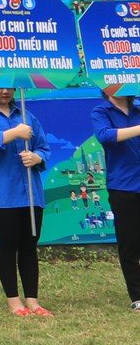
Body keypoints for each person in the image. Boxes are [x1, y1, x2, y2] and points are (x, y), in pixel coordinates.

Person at [0, 86, 50, 317]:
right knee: (8, 244)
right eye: (0, 86)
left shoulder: (27, 115)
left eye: (10, 86)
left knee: (29, 245)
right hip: (3, 193)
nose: (5, 91)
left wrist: (37, 157)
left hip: (31, 193)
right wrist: (14, 133)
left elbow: (44, 148)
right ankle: (14, 301)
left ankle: (33, 300)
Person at [90, 84, 140, 310]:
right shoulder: (101, 112)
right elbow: (105, 136)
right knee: (129, 242)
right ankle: (137, 295)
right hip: (123, 187)